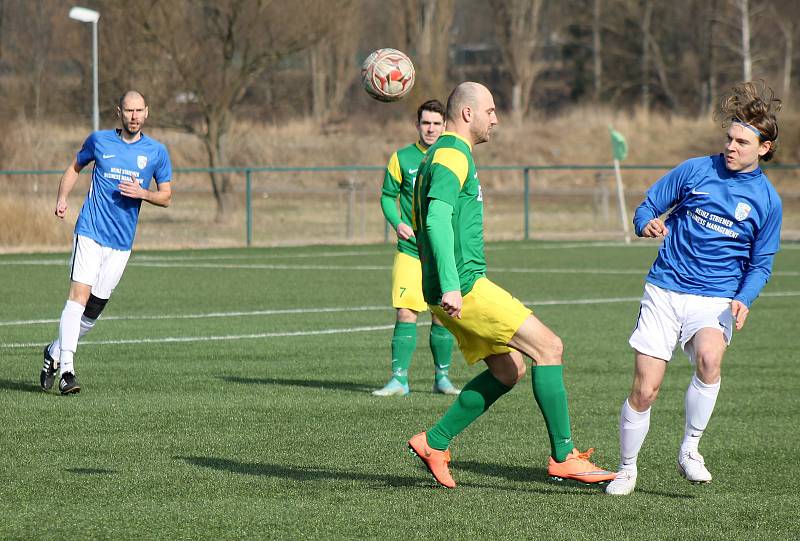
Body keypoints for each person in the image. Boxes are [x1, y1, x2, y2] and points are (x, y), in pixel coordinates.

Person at [406, 82, 615, 488]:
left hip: (449, 286)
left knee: (508, 370)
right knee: (549, 347)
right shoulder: (451, 153)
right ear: (468, 114)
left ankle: (434, 441)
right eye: (491, 110)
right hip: (462, 286)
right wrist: (452, 285)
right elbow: (435, 220)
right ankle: (564, 455)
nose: (495, 119)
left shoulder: (440, 152)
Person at [605, 81, 783, 496]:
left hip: (715, 298)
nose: (731, 147)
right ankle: (627, 468)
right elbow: (647, 206)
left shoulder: (768, 202)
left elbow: (761, 263)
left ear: (764, 149)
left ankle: (690, 448)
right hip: (665, 289)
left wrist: (743, 298)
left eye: (742, 141)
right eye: (729, 138)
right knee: (645, 389)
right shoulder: (695, 170)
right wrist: (645, 222)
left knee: (708, 358)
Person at [40, 90, 173, 395]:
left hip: (121, 243)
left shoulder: (156, 152)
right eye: (129, 111)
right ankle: (67, 371)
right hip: (90, 230)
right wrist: (62, 198)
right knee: (78, 296)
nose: (134, 116)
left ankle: (53, 352)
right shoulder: (99, 141)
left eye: (139, 111)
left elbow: (166, 196)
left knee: (93, 312)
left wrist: (144, 194)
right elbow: (75, 166)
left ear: (147, 112)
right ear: (119, 112)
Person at [373, 99, 461, 397]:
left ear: (445, 125)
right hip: (410, 250)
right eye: (426, 123)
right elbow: (387, 196)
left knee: (441, 315)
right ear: (417, 125)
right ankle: (399, 380)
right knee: (405, 313)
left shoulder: (451, 157)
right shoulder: (402, 158)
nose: (431, 129)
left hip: (438, 253)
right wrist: (397, 222)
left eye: (437, 123)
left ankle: (442, 379)